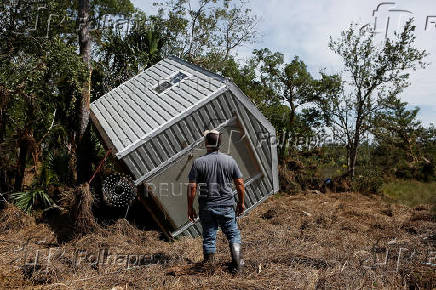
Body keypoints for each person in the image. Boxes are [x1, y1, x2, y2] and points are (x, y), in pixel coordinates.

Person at [187, 129, 245, 273]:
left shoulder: (198, 163)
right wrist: (241, 202)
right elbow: (240, 184)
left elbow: (192, 187)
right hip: (226, 205)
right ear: (220, 143)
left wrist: (189, 207)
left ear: (206, 143)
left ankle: (209, 269)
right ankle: (238, 266)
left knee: (209, 236)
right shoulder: (230, 160)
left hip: (206, 206)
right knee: (233, 234)